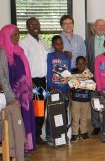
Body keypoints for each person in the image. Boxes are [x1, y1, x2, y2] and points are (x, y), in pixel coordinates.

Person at [0, 24, 36, 152]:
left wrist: (30, 84)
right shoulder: (3, 52)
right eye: (15, 34)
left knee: (26, 119)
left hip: (25, 93)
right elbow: (2, 76)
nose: (17, 37)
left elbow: (25, 71)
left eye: (18, 33)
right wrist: (10, 96)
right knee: (16, 122)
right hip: (13, 94)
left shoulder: (19, 50)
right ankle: (17, 149)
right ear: (7, 36)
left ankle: (27, 147)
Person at [20, 17, 49, 145]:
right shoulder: (24, 43)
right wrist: (28, 81)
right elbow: (23, 65)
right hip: (32, 81)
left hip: (43, 81)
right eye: (32, 25)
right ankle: (32, 137)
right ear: (27, 27)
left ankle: (37, 135)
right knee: (34, 109)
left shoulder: (43, 42)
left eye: (37, 24)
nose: (36, 26)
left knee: (41, 109)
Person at [46, 35, 71, 144]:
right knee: (52, 112)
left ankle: (61, 134)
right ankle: (49, 135)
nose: (59, 45)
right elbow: (49, 72)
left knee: (63, 112)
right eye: (57, 43)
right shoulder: (50, 56)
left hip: (64, 89)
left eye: (61, 43)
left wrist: (69, 88)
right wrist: (51, 87)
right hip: (53, 89)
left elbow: (69, 73)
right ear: (53, 45)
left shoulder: (67, 57)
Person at [86, 19, 105, 136]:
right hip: (93, 76)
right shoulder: (89, 41)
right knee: (94, 100)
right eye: (98, 26)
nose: (100, 28)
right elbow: (86, 58)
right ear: (95, 27)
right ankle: (96, 125)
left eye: (102, 26)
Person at [70, 56, 92, 142]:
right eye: (78, 63)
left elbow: (93, 84)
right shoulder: (73, 74)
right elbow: (71, 87)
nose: (81, 65)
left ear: (86, 64)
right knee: (75, 117)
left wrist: (88, 82)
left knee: (84, 117)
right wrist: (75, 86)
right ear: (76, 65)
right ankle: (74, 133)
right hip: (76, 100)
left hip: (86, 100)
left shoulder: (88, 74)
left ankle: (83, 132)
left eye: (83, 63)